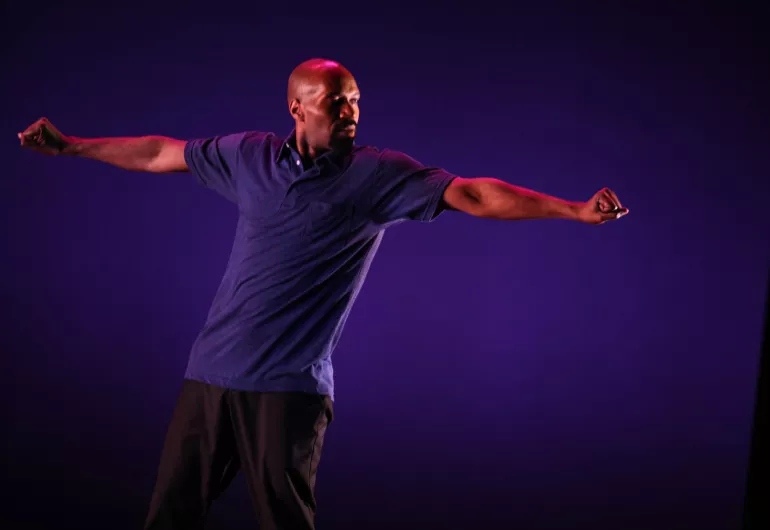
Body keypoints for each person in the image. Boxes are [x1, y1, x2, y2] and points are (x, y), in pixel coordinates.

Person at [17, 58, 629, 530]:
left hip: (288, 393)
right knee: (169, 518)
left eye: (356, 102)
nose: (351, 112)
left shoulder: (378, 174)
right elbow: (159, 154)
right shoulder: (249, 156)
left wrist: (573, 210)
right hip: (209, 377)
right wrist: (72, 146)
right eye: (337, 103)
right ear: (297, 106)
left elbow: (472, 194)